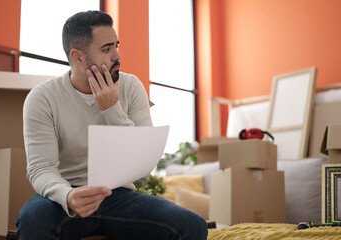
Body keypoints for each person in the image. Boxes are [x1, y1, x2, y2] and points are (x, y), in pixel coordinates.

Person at [16, 10, 208, 240]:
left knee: (193, 226)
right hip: (66, 195)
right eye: (107, 49)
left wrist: (111, 109)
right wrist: (67, 195)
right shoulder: (42, 98)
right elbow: (40, 168)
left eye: (116, 46)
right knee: (32, 219)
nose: (117, 55)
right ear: (78, 57)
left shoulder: (131, 86)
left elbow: (143, 163)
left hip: (119, 196)